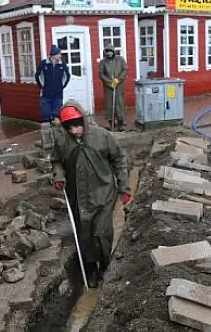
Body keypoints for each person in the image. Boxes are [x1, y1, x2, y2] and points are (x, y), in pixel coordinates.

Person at [52, 102, 131, 288]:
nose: (74, 131)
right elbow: (56, 162)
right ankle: (91, 269)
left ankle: (105, 266)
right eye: (69, 128)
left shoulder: (102, 136)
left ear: (84, 122)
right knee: (85, 235)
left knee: (101, 232)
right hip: (78, 197)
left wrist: (124, 187)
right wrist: (59, 175)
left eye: (77, 126)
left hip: (104, 193)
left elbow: (119, 159)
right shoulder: (62, 142)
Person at [35, 45, 71, 123]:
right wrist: (43, 87)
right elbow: (38, 76)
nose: (60, 56)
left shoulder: (62, 64)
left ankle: (56, 134)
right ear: (54, 55)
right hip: (45, 95)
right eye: (59, 54)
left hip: (58, 95)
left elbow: (67, 76)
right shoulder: (43, 64)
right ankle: (47, 134)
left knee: (56, 117)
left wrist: (61, 87)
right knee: (46, 115)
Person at [99, 44, 128, 131]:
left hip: (119, 86)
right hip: (108, 87)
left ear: (113, 51)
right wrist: (109, 82)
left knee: (119, 103)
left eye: (110, 51)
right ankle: (111, 123)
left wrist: (118, 80)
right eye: (107, 51)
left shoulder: (120, 59)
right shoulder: (103, 62)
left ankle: (121, 123)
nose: (109, 53)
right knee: (109, 104)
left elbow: (125, 69)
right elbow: (101, 74)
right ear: (105, 52)